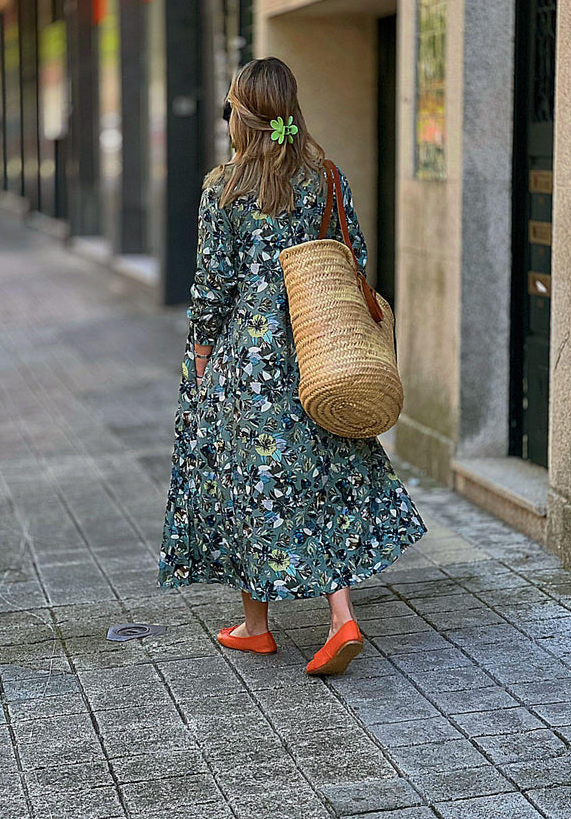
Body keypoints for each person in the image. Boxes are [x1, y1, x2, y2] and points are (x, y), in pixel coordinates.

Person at [157, 57, 426, 676]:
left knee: (250, 481)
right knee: (323, 473)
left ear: (240, 115)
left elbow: (211, 282)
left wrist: (200, 351)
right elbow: (351, 254)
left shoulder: (223, 187)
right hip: (314, 348)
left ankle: (257, 627)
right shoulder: (324, 176)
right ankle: (340, 617)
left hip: (246, 359)